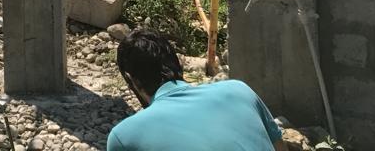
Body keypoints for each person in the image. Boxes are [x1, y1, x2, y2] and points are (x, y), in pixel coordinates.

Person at [107, 29, 286, 151]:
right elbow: (279, 147)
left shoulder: (124, 137)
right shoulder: (240, 91)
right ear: (179, 63)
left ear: (130, 79)